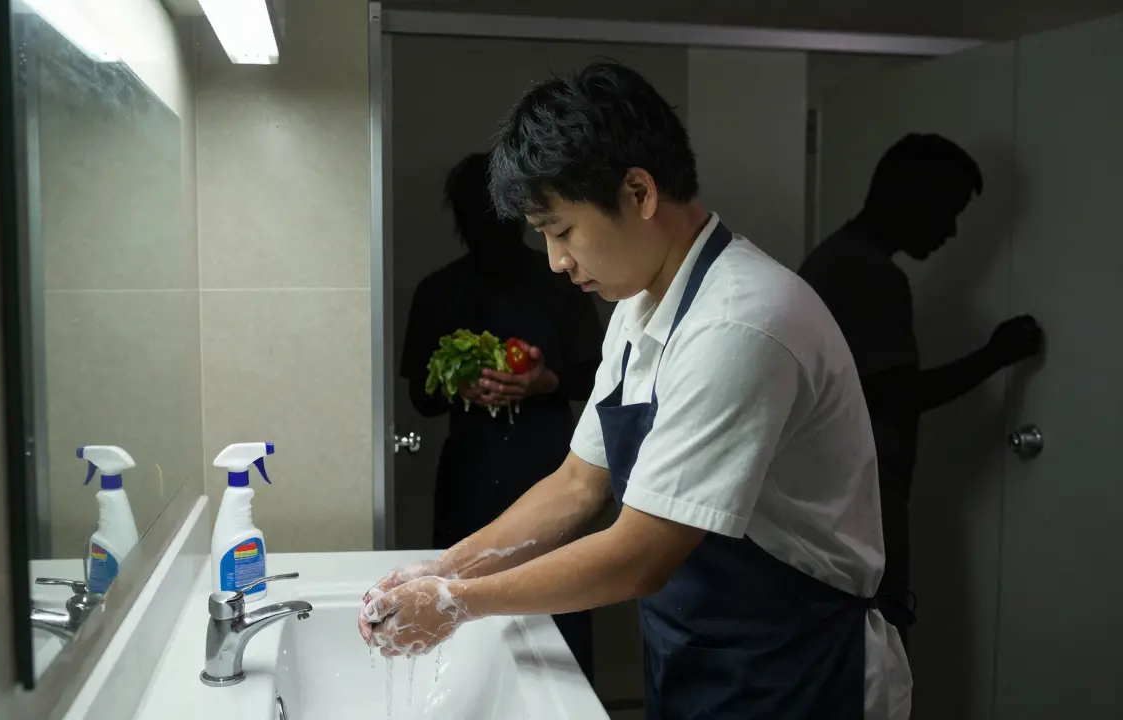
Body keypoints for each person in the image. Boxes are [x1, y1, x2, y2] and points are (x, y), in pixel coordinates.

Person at [361, 62, 911, 719]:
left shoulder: (740, 322)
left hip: (802, 669)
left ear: (639, 192)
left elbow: (642, 553)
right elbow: (576, 485)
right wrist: (445, 571)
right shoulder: (643, 303)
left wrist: (458, 604)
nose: (557, 260)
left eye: (562, 230)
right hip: (704, 655)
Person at [798, 134, 1043, 642]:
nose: (951, 231)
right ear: (910, 197)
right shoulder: (869, 275)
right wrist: (995, 355)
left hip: (832, 500)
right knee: (876, 654)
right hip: (858, 501)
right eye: (947, 211)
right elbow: (897, 393)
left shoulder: (835, 258)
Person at [398, 152, 604, 683]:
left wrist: (545, 381)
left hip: (550, 471)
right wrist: (455, 386)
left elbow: (598, 379)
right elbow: (419, 398)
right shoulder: (439, 292)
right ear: (462, 220)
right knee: (459, 613)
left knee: (560, 617)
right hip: (469, 474)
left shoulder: (564, 283)